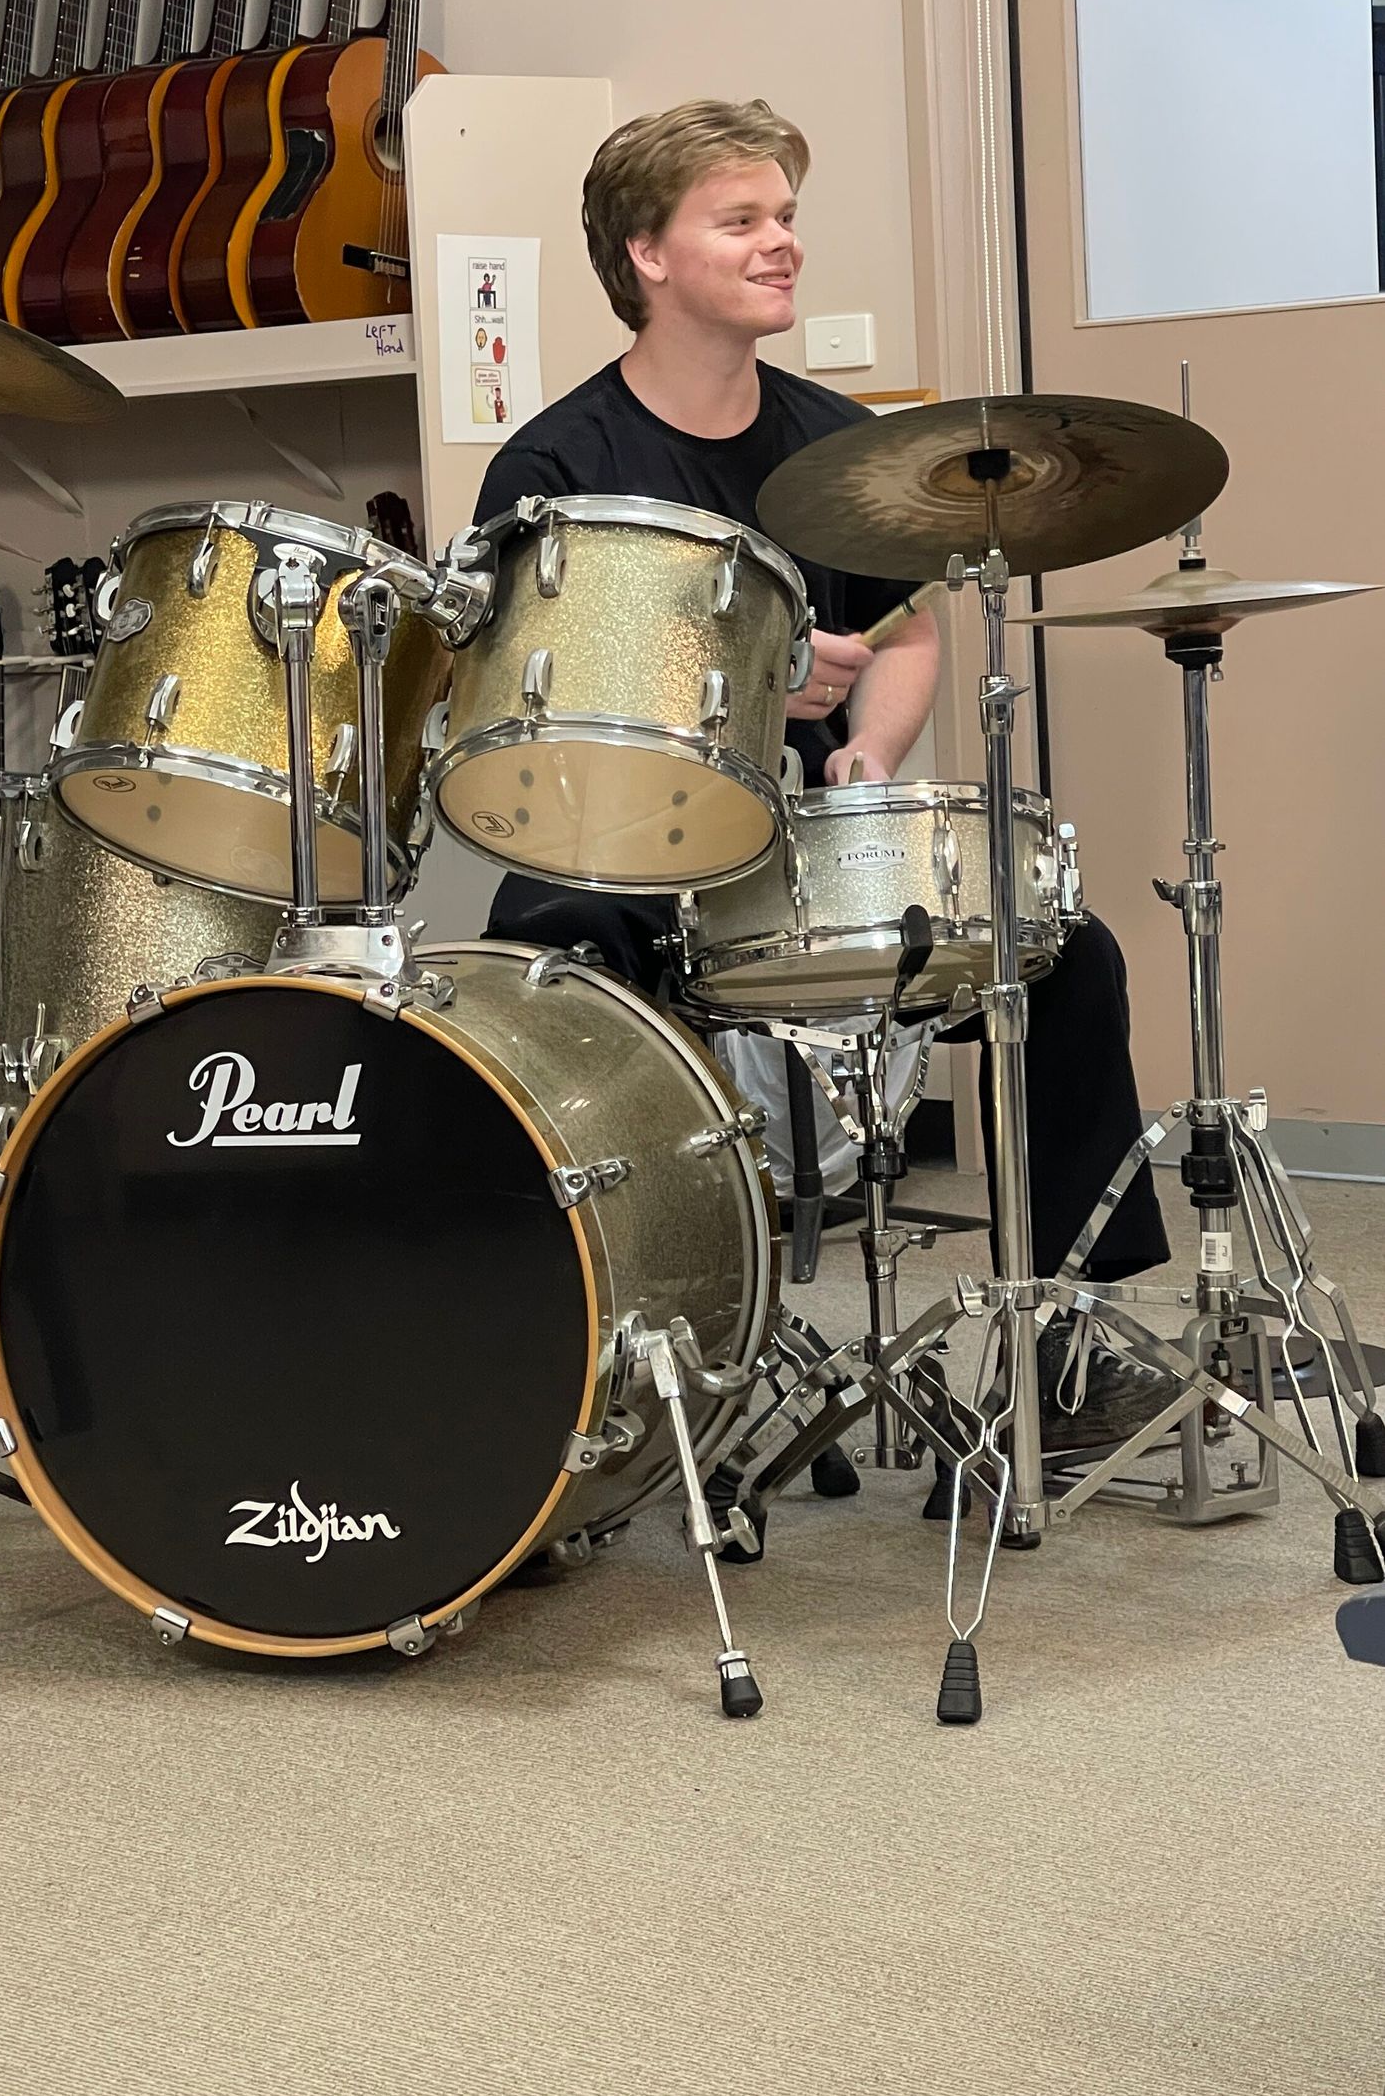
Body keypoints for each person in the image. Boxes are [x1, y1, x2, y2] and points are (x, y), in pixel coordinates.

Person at [473, 97, 1173, 1453]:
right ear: (647, 255)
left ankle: (1062, 1347)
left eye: (786, 216)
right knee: (547, 965)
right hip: (621, 849)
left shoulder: (839, 445)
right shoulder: (558, 464)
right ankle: (590, 1362)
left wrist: (869, 750)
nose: (781, 241)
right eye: (740, 219)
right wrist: (750, 688)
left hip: (802, 847)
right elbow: (531, 701)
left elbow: (904, 634)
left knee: (1065, 956)